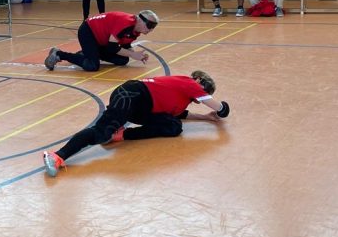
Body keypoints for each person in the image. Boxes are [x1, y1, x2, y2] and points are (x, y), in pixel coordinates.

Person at [42, 70, 229, 176]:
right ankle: (57, 156)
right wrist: (221, 109)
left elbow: (181, 114)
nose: (201, 96)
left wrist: (206, 117)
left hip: (144, 106)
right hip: (132, 94)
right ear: (198, 81)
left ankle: (121, 134)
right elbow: (223, 109)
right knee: (101, 132)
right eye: (205, 91)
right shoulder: (189, 83)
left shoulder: (183, 97)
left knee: (173, 126)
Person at [44, 9, 158, 72]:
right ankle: (58, 54)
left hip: (102, 40)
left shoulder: (136, 30)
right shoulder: (126, 23)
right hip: (88, 31)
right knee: (92, 66)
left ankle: (87, 53)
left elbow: (126, 44)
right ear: (140, 20)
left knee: (123, 60)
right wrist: (134, 55)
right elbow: (112, 47)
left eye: (154, 26)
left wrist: (136, 54)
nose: (151, 29)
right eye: (150, 25)